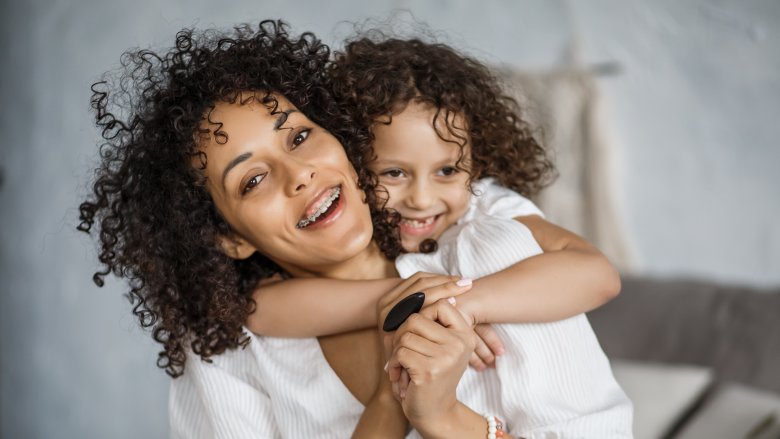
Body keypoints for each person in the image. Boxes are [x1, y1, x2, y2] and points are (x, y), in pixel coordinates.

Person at [77, 21, 630, 438]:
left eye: (298, 138)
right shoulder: (227, 349)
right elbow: (257, 312)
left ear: (343, 136)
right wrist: (394, 401)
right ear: (229, 236)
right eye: (252, 180)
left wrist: (440, 412)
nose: (300, 175)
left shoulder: (490, 244)